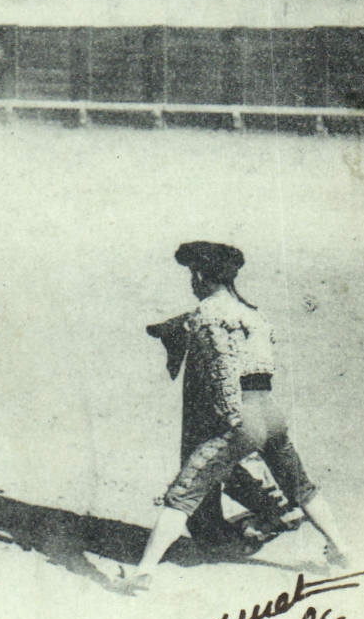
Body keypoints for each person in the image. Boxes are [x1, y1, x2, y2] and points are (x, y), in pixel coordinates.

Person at [121, 242, 351, 591]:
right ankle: (342, 549)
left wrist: (231, 421)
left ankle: (143, 572)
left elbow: (223, 372)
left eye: (193, 275)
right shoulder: (253, 314)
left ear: (200, 276)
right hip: (270, 411)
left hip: (241, 415)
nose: (192, 283)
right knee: (300, 485)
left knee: (184, 491)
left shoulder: (207, 313)